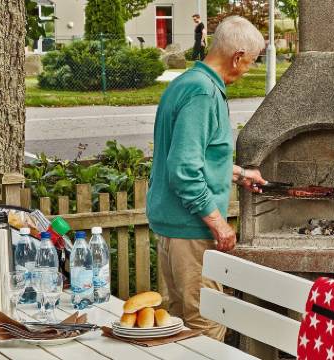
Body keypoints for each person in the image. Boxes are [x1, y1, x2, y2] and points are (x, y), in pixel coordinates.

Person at [146, 16, 267, 341]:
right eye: (252, 62)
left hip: (175, 229)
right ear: (237, 57)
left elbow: (194, 156)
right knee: (205, 331)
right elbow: (185, 170)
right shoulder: (203, 94)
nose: (249, 69)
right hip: (192, 233)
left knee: (176, 328)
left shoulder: (186, 83)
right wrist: (218, 223)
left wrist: (239, 173)